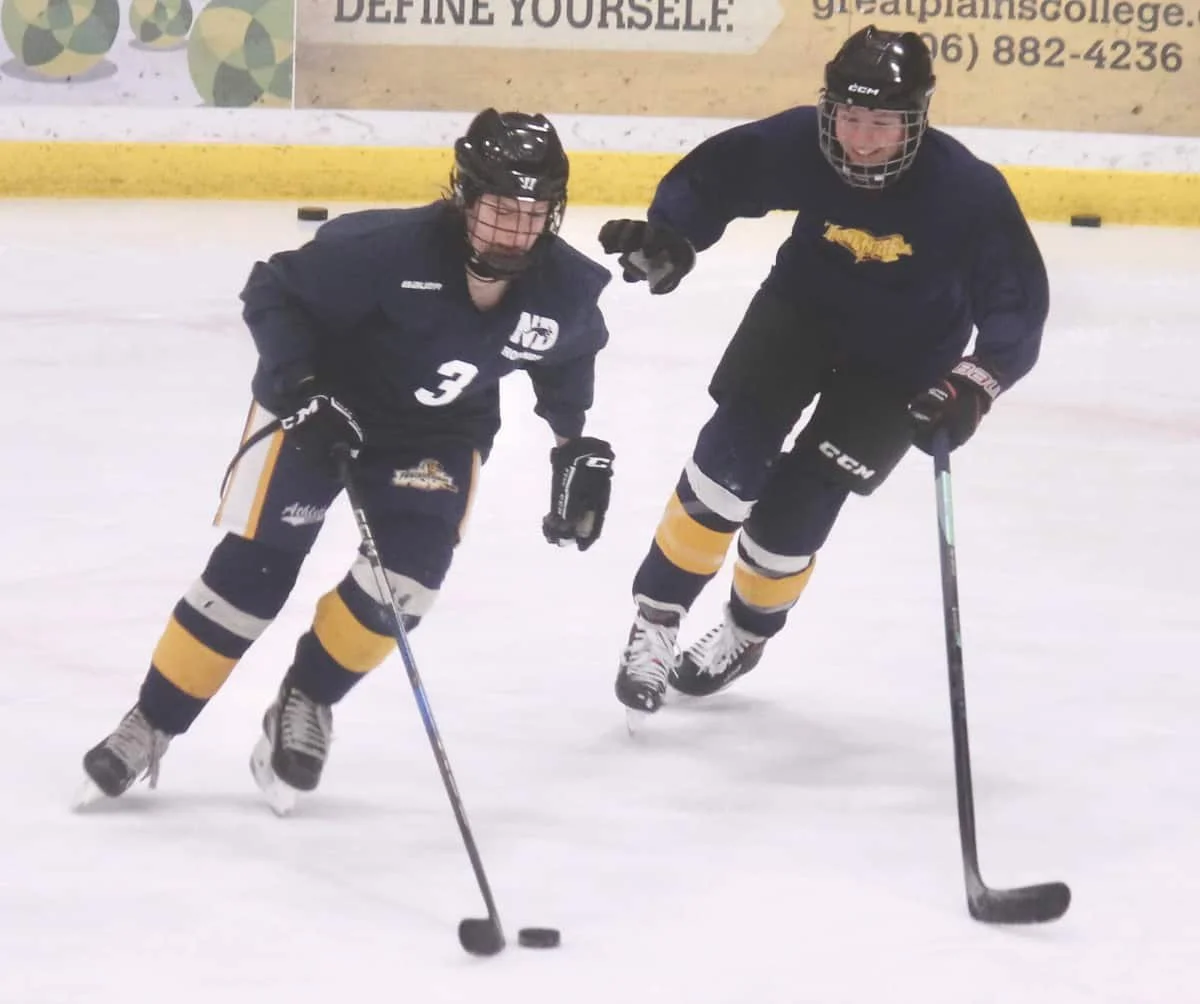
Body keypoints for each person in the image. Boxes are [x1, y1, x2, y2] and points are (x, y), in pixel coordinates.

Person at [79, 109, 616, 811]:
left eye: (533, 212)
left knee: (408, 581)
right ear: (463, 197)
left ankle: (306, 699)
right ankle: (152, 721)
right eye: (498, 209)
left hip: (436, 435)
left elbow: (569, 350)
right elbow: (271, 290)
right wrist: (304, 389)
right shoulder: (381, 248)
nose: (516, 229)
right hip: (318, 406)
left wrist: (572, 440)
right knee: (255, 572)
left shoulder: (565, 288)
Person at [598, 26, 1049, 715]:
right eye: (850, 117)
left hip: (907, 358)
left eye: (881, 123)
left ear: (917, 121)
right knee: (729, 462)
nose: (861, 139)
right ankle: (657, 620)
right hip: (799, 315)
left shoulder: (966, 191)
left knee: (797, 508)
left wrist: (974, 384)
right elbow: (716, 178)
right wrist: (673, 237)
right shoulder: (804, 142)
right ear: (829, 108)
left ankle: (747, 635)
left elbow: (1015, 304)